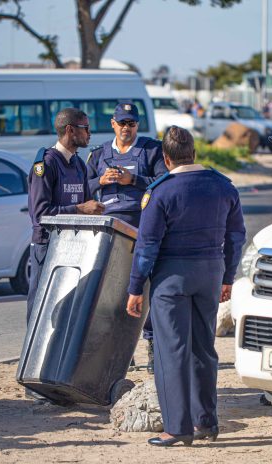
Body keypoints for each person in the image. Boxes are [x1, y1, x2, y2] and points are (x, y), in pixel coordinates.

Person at [125, 126, 246, 447]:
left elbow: (148, 244)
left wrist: (136, 287)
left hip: (172, 277)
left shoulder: (160, 192)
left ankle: (178, 427)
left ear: (166, 159)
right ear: (193, 152)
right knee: (204, 348)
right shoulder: (223, 187)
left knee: (171, 351)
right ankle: (206, 421)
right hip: (210, 273)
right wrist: (228, 277)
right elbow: (236, 236)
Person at [86, 103, 167, 373]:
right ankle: (121, 351)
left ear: (137, 125)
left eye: (131, 123)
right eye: (122, 123)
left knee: (143, 289)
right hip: (108, 228)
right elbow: (82, 187)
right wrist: (101, 181)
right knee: (112, 293)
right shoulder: (98, 154)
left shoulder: (151, 150)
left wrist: (133, 179)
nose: (126, 128)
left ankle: (154, 348)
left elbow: (164, 182)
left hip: (141, 227)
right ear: (113, 124)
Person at [27, 108, 104, 321]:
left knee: (66, 313)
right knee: (41, 311)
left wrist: (95, 211)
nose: (90, 133)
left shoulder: (79, 164)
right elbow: (40, 214)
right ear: (70, 130)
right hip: (48, 246)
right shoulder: (46, 163)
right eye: (85, 128)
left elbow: (87, 206)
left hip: (73, 247)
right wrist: (80, 210)